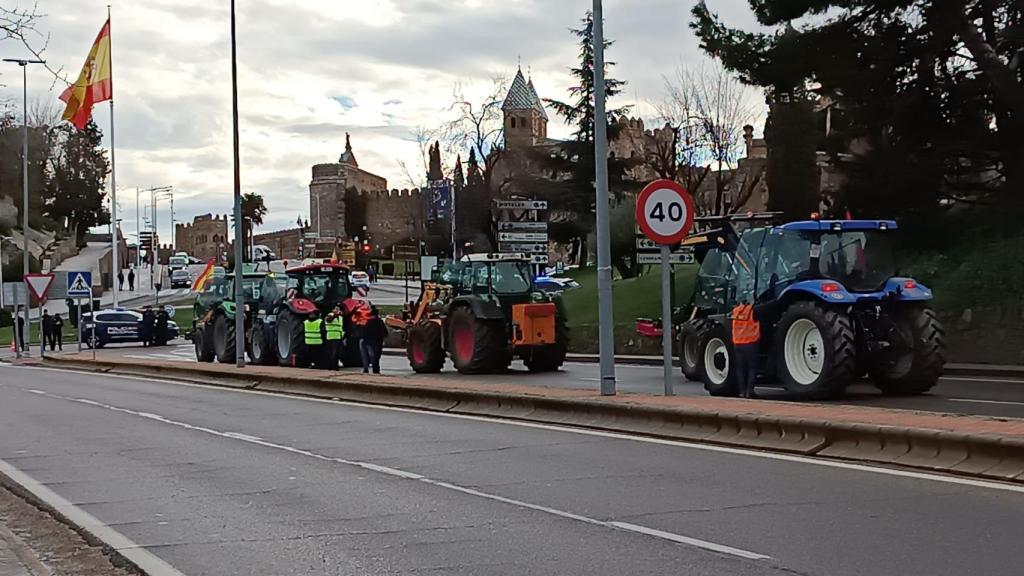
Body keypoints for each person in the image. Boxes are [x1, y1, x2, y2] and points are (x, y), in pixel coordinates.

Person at [731, 300, 761, 399]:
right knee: (752, 368)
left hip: (737, 343)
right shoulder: (753, 311)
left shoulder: (735, 311)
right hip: (750, 343)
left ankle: (742, 392)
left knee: (740, 368)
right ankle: (749, 392)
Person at [359, 306, 387, 374]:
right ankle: (376, 370)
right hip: (378, 342)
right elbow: (385, 333)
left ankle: (366, 369)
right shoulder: (380, 322)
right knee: (375, 356)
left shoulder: (367, 322)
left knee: (366, 356)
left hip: (368, 342)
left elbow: (363, 332)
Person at [323, 307, 345, 371]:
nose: (337, 310)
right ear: (332, 310)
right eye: (336, 309)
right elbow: (329, 320)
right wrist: (335, 315)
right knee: (333, 353)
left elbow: (341, 327)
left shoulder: (340, 317)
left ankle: (335, 366)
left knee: (337, 353)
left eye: (338, 309)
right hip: (332, 336)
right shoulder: (330, 315)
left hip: (339, 337)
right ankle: (331, 366)